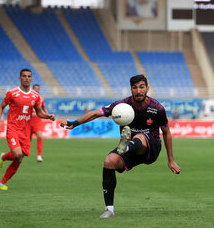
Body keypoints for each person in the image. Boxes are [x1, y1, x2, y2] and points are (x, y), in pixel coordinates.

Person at [60, 74, 180, 218]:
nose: (138, 91)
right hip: (131, 147)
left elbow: (166, 132)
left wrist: (171, 160)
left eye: (141, 87)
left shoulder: (157, 108)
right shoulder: (121, 105)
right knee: (109, 161)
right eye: (135, 88)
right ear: (131, 89)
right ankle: (109, 209)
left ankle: (126, 145)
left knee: (139, 137)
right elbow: (96, 114)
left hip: (151, 147)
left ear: (147, 88)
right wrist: (75, 123)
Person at [0, 69, 55, 190]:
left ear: (31, 78)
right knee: (17, 154)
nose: (26, 78)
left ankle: (1, 182)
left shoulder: (35, 96)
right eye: (24, 76)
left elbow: (39, 113)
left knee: (20, 158)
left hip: (25, 131)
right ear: (20, 78)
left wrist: (47, 116)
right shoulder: (12, 93)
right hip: (13, 128)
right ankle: (3, 159)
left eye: (28, 76)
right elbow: (0, 107)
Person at [30, 84, 48, 162]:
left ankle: (39, 155)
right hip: (28, 121)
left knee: (39, 136)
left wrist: (48, 115)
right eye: (35, 89)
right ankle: (23, 153)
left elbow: (44, 108)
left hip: (37, 121)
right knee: (27, 140)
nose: (37, 90)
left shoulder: (41, 99)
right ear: (32, 89)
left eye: (38, 89)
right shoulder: (28, 98)